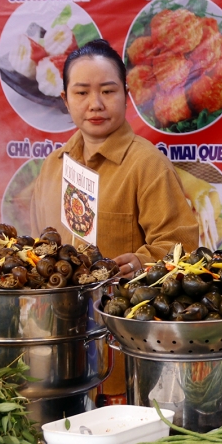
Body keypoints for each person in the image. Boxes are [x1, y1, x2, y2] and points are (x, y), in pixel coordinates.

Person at [32, 39, 198, 278]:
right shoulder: (53, 165)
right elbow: (40, 241)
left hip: (121, 310)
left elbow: (183, 249)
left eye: (108, 91)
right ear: (65, 100)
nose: (95, 104)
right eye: (81, 93)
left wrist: (142, 262)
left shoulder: (148, 164)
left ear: (126, 96)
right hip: (58, 308)